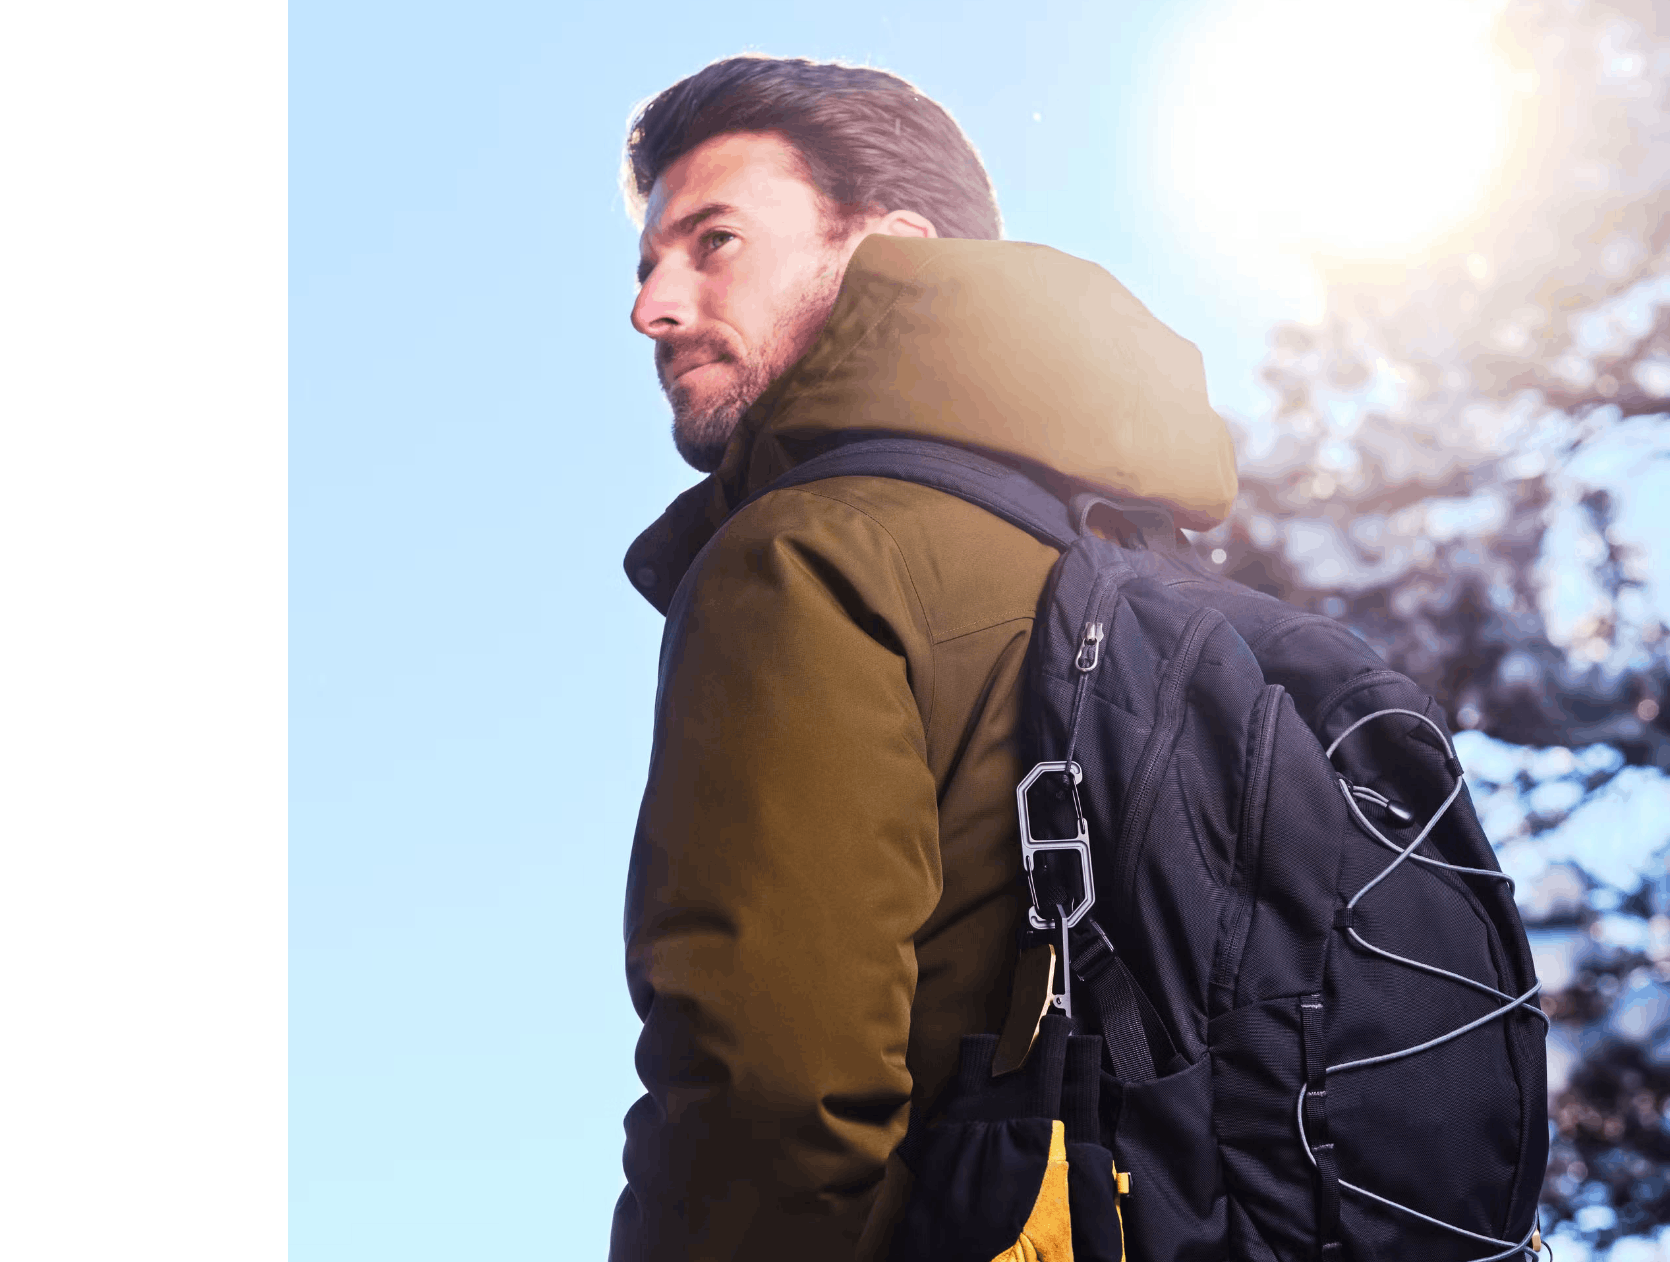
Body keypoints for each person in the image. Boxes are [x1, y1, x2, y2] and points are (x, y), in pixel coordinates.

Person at [612, 55, 1238, 1261]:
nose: (653, 307)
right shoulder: (1149, 571)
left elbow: (768, 1107)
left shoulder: (806, 556)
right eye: (646, 265)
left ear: (892, 254)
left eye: (714, 241)